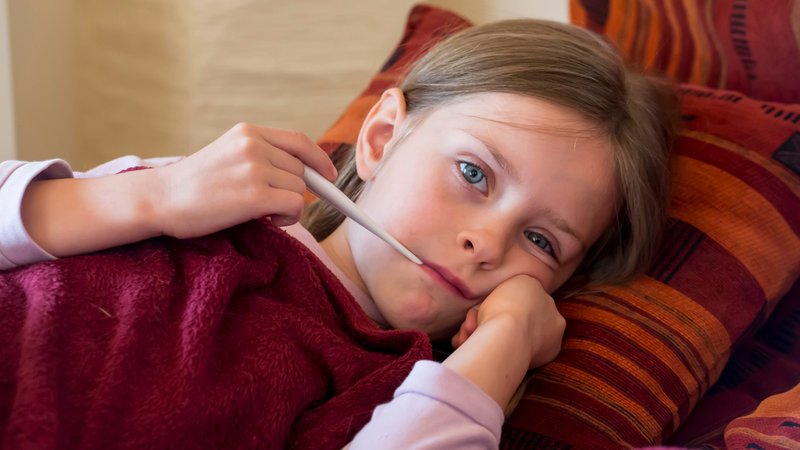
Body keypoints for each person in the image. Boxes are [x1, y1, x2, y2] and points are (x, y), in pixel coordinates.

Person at [0, 18, 677, 449]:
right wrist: (154, 193)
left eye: (542, 242)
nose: (488, 243)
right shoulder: (186, 202)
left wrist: (506, 346)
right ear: (382, 137)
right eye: (473, 172)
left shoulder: (404, 397)